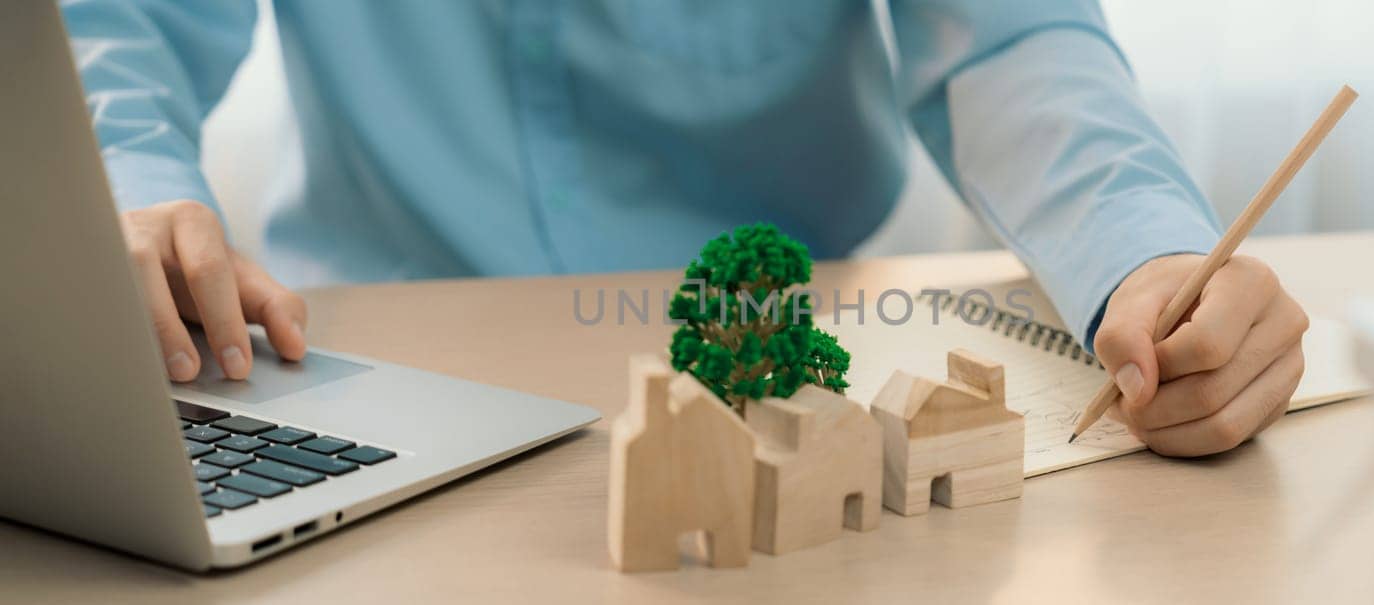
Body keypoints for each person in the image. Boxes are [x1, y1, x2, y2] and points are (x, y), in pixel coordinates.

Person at [64, 0, 1307, 457]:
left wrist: (1141, 255)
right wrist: (119, 185)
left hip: (799, 360)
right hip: (362, 357)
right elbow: (119, 22)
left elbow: (1013, 39)